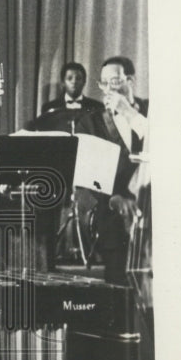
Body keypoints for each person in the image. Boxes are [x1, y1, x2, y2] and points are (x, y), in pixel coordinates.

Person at [75, 56, 149, 284]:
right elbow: (88, 176)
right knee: (118, 288)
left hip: (152, 212)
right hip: (114, 215)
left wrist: (129, 113)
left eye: (115, 82)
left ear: (131, 80)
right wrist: (113, 198)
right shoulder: (91, 122)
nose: (108, 89)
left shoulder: (150, 110)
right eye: (103, 83)